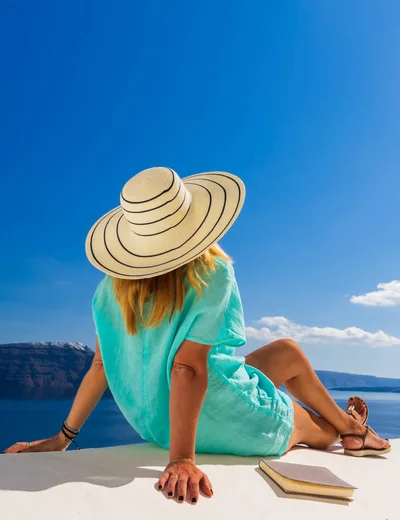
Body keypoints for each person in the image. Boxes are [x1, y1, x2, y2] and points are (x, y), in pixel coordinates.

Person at [4, 167, 391, 504]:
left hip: (158, 422)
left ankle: (350, 422)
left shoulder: (110, 290)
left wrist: (61, 438)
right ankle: (351, 429)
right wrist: (181, 459)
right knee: (318, 431)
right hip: (219, 421)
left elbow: (101, 367)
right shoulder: (210, 272)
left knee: (286, 351)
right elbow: (187, 367)